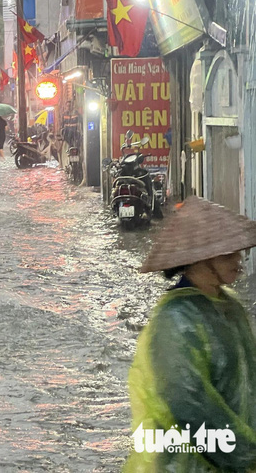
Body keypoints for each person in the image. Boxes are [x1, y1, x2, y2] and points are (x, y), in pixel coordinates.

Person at [126, 196, 256, 472]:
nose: (239, 259)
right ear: (201, 258)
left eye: (237, 251)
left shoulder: (230, 307)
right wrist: (245, 455)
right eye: (227, 253)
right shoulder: (175, 319)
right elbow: (188, 407)